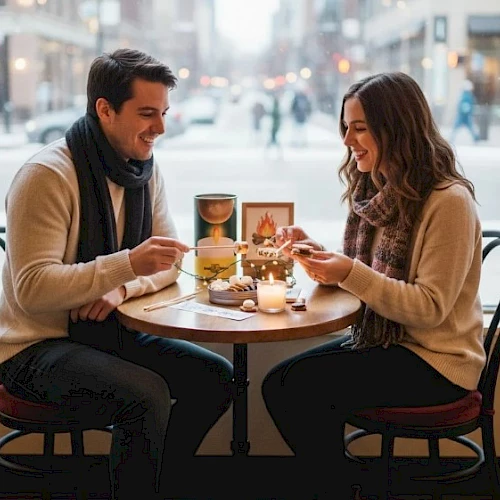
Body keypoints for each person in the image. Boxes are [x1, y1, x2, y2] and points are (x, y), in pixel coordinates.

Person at [0, 48, 233, 500]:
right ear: (104, 110)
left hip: (105, 328)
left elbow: (170, 259)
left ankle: (161, 483)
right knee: (144, 395)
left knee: (216, 378)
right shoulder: (46, 175)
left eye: (163, 113)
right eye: (147, 114)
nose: (160, 128)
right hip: (32, 345)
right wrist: (124, 266)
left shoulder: (144, 171)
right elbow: (31, 291)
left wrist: (122, 285)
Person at [261, 72, 485, 498]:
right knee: (284, 383)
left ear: (396, 128)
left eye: (360, 128)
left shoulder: (448, 202)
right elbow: (374, 276)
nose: (347, 140)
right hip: (393, 343)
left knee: (294, 388)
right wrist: (317, 253)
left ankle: (341, 486)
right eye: (346, 126)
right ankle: (343, 484)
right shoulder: (381, 190)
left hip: (439, 361)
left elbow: (428, 308)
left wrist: (347, 272)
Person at [450, 79, 479, 144]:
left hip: (463, 115)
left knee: (457, 127)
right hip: (465, 115)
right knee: (469, 127)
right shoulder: (467, 95)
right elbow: (466, 106)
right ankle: (476, 138)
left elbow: (462, 105)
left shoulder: (464, 95)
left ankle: (451, 138)